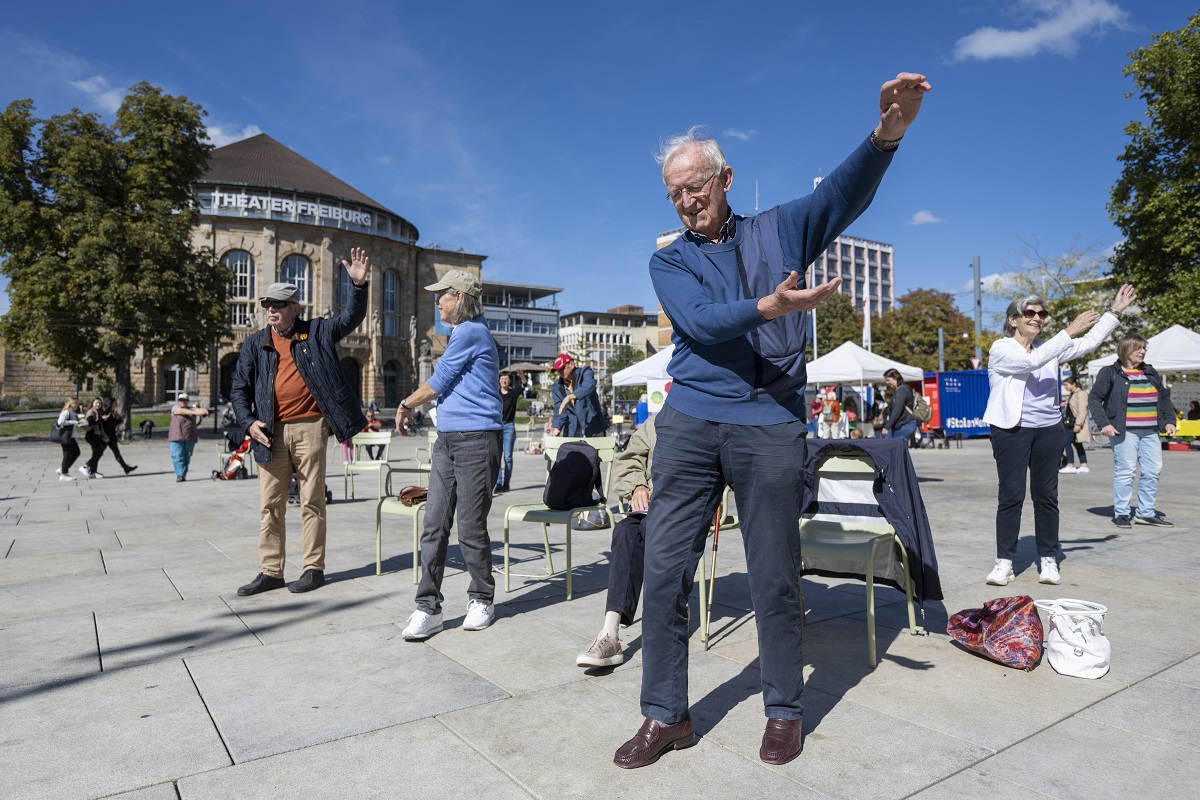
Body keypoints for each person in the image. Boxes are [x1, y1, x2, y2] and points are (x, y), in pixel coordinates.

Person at [614, 72, 932, 771]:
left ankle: (783, 707)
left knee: (774, 574)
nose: (687, 201)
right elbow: (698, 323)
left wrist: (886, 136)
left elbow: (837, 198)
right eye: (675, 193)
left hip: (769, 426)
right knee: (665, 572)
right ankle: (665, 714)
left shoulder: (779, 230)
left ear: (726, 177)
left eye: (695, 186)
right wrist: (766, 309)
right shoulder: (669, 260)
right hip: (692, 423)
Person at [231, 247, 371, 596]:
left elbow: (350, 319)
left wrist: (358, 287)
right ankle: (271, 571)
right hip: (268, 431)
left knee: (311, 499)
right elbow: (238, 389)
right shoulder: (255, 344)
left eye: (278, 305)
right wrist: (248, 422)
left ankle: (313, 568)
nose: (271, 311)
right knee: (270, 504)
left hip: (310, 426)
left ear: (296, 307)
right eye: (267, 305)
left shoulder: (318, 332)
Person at [981, 285, 1136, 587]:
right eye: (1030, 313)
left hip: (1050, 429)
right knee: (1011, 495)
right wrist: (1068, 330)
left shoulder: (1049, 347)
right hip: (1011, 429)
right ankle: (1005, 561)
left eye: (1041, 313)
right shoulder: (1001, 349)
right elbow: (1030, 363)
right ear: (1013, 319)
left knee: (1046, 496)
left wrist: (1114, 311)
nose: (1037, 317)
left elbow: (1089, 342)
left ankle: (1048, 558)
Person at [395, 268, 502, 640]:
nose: (436, 300)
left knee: (471, 526)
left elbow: (437, 384)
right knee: (435, 523)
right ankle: (427, 607)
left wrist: (406, 403)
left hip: (476, 439)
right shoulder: (461, 333)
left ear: (460, 298)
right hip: (448, 439)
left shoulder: (472, 331)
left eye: (443, 294)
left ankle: (482, 598)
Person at [576, 414, 657, 669]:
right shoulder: (658, 421)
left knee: (652, 527)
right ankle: (610, 633)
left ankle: (673, 607)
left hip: (685, 507)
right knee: (625, 530)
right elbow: (630, 458)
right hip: (651, 505)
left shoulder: (710, 415)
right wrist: (638, 486)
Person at [1088, 333, 1176, 528]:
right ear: (1126, 349)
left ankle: (1146, 513)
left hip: (1151, 431)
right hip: (1124, 432)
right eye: (1138, 348)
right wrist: (1105, 424)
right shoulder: (1110, 372)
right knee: (1126, 471)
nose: (1143, 351)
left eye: (1144, 348)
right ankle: (1122, 513)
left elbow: (1163, 397)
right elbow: (1094, 399)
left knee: (1153, 471)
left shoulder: (1150, 371)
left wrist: (1170, 421)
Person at [548, 353, 608, 437]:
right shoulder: (556, 387)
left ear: (571, 364)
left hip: (592, 427)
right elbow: (560, 410)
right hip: (572, 431)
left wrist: (569, 397)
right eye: (558, 370)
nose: (560, 372)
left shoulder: (585, 372)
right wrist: (556, 426)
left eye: (562, 368)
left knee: (594, 450)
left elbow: (589, 386)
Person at [495, 368, 525, 493]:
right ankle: (498, 483)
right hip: (496, 426)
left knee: (507, 457)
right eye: (502, 379)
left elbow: (524, 385)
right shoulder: (495, 393)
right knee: (497, 456)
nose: (504, 380)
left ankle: (506, 483)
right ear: (499, 381)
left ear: (510, 381)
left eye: (506, 379)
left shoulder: (513, 393)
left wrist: (521, 375)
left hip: (509, 427)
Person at [168, 394, 208, 481]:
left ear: (187, 401)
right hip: (176, 436)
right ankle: (180, 475)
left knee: (187, 456)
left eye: (184, 400)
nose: (182, 402)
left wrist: (204, 410)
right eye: (180, 400)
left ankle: (183, 474)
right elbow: (181, 412)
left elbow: (200, 410)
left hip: (189, 436)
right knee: (177, 456)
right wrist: (195, 412)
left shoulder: (192, 409)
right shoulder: (175, 408)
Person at [1059, 376, 1090, 474]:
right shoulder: (1073, 394)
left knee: (1066, 442)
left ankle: (1070, 464)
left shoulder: (1080, 394)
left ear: (1073, 384)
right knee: (1077, 444)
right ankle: (1083, 464)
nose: (1065, 387)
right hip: (1071, 423)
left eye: (1066, 385)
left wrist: (1078, 424)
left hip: (1075, 423)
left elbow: (1082, 410)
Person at [880, 369, 917, 445]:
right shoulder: (900, 390)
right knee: (894, 450)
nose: (887, 383)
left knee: (894, 449)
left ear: (895, 377)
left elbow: (897, 410)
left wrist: (887, 426)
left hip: (903, 424)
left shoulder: (902, 391)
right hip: (900, 424)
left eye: (888, 380)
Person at [101, 401, 137, 475]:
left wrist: (120, 419)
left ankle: (126, 468)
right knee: (98, 453)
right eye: (114, 403)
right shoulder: (106, 412)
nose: (116, 405)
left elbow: (114, 424)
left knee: (117, 453)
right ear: (110, 404)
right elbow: (103, 424)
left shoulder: (113, 413)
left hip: (112, 437)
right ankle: (89, 466)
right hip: (106, 437)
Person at [79, 397, 109, 479]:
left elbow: (99, 426)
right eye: (96, 403)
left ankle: (93, 472)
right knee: (99, 452)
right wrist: (101, 419)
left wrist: (103, 434)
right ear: (92, 403)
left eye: (99, 403)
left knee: (96, 453)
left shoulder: (98, 412)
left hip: (96, 435)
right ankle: (85, 467)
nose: (98, 404)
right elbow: (90, 422)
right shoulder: (91, 411)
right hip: (91, 435)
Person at [54, 397, 83, 481]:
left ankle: (63, 469)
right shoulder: (66, 412)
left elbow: (80, 418)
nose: (76, 405)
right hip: (66, 437)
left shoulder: (73, 413)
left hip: (72, 437)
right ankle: (64, 474)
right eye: (74, 403)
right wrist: (74, 422)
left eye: (77, 403)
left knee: (77, 453)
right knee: (67, 455)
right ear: (69, 404)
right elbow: (60, 422)